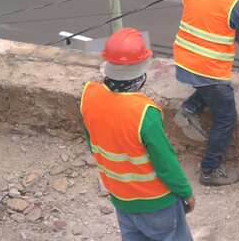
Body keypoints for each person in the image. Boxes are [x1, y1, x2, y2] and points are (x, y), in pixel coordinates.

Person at [80, 28, 195, 240]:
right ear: (141, 72)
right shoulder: (144, 113)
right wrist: (186, 193)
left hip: (122, 199)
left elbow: (93, 144)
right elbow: (166, 163)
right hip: (157, 202)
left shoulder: (88, 96)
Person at [172, 0, 239, 186]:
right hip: (208, 68)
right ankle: (209, 170)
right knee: (226, 117)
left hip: (184, 61)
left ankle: (189, 109)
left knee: (213, 89)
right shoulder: (236, 2)